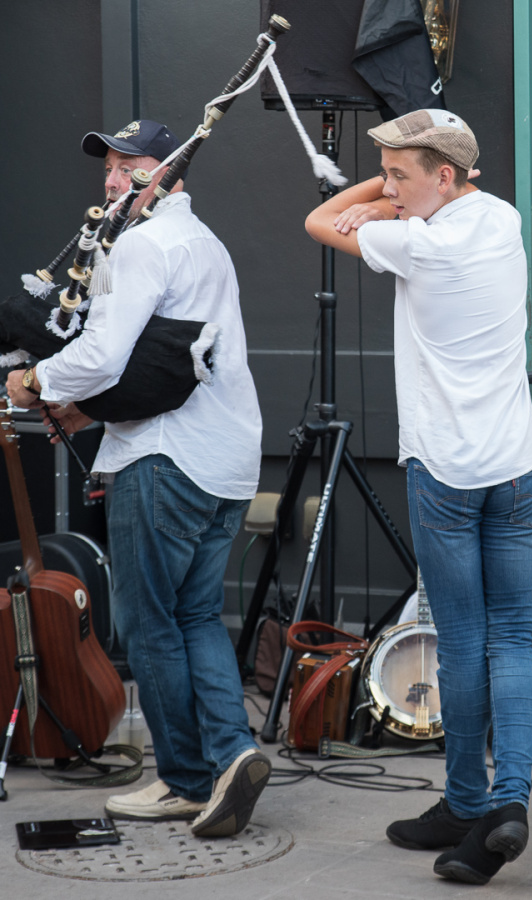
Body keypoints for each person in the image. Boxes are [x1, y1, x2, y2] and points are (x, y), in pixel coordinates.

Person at [4, 118, 270, 836]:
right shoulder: (202, 242)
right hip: (224, 460)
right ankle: (233, 754)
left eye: (134, 166)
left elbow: (101, 356)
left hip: (164, 459)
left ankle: (186, 778)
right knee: (194, 619)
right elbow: (162, 360)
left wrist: (33, 378)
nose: (116, 180)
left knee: (152, 626)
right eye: (109, 170)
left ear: (171, 175)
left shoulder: (145, 245)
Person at [305, 108, 532, 886]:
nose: (392, 188)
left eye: (404, 173)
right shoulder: (500, 217)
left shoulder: (419, 244)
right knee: (510, 634)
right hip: (515, 465)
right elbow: (385, 206)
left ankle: (473, 801)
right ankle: (496, 802)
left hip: (445, 469)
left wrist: (377, 199)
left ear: (445, 175)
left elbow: (318, 219)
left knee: (464, 637)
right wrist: (397, 189)